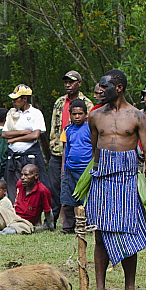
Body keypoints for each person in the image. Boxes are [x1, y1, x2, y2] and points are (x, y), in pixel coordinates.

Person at [86, 69, 146, 290]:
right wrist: (92, 182)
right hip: (103, 177)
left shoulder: (137, 116)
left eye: (104, 87)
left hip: (126, 177)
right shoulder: (95, 117)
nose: (99, 91)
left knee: (129, 230)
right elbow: (95, 152)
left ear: (119, 88)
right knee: (100, 233)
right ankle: (100, 288)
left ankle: (130, 288)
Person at [48, 71, 93, 222]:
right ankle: (56, 220)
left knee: (82, 191)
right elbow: (54, 125)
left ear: (79, 83)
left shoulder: (87, 103)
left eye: (71, 82)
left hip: (81, 158)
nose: (68, 85)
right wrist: (54, 143)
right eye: (66, 82)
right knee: (57, 186)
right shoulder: (59, 102)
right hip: (59, 150)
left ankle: (83, 221)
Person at [2, 85, 47, 202]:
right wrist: (22, 132)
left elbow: (35, 135)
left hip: (30, 155)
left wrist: (14, 139)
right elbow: (5, 134)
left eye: (16, 99)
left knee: (33, 186)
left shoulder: (35, 113)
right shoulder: (11, 114)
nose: (13, 102)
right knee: (14, 186)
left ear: (25, 99)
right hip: (14, 156)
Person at [60, 99, 92, 233]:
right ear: (70, 114)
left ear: (85, 114)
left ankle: (88, 226)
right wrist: (63, 168)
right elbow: (65, 150)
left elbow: (95, 147)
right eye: (74, 114)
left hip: (86, 170)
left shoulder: (90, 128)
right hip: (70, 169)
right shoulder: (67, 130)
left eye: (80, 114)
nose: (77, 117)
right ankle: (68, 227)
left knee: (87, 200)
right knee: (68, 199)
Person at [14, 164, 54, 229]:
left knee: (9, 230)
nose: (22, 178)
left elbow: (48, 211)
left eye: (26, 175)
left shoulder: (43, 191)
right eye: (22, 175)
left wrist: (51, 227)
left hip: (25, 222)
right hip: (13, 216)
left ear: (36, 176)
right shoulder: (20, 184)